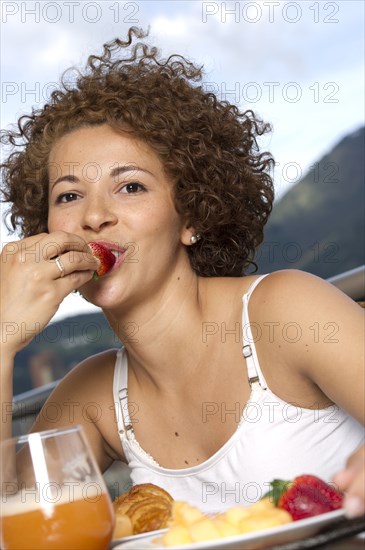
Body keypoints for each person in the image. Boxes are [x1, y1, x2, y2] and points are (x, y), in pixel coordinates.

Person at [1, 27, 364, 517]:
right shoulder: (91, 395)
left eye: (130, 186)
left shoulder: (284, 311)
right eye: (68, 195)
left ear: (191, 217)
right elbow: (17, 519)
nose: (94, 216)